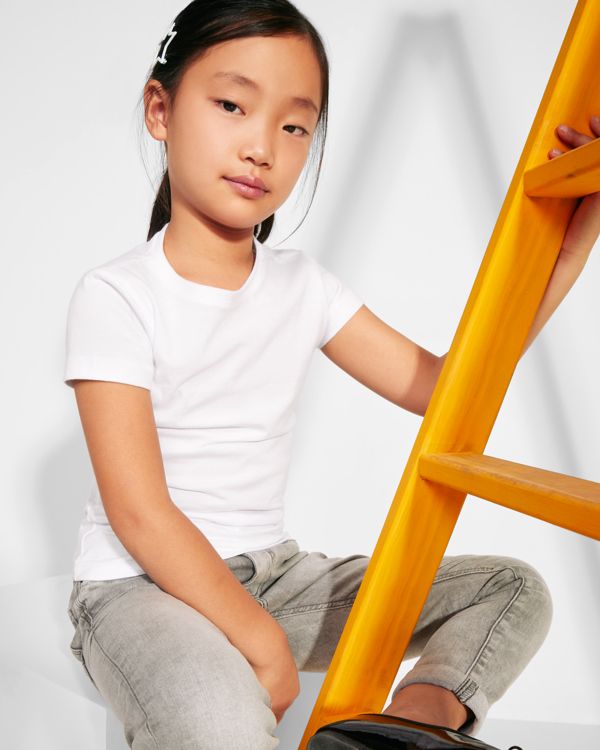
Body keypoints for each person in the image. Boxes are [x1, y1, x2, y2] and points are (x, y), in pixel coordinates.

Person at [64, 1, 600, 748]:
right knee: (220, 720)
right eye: (231, 105)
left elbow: (441, 389)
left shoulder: (303, 284)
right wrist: (261, 642)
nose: (262, 148)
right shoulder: (117, 294)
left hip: (276, 580)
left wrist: (570, 248)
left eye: (295, 126)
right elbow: (140, 513)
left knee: (512, 589)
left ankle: (398, 735)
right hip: (140, 589)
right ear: (161, 109)